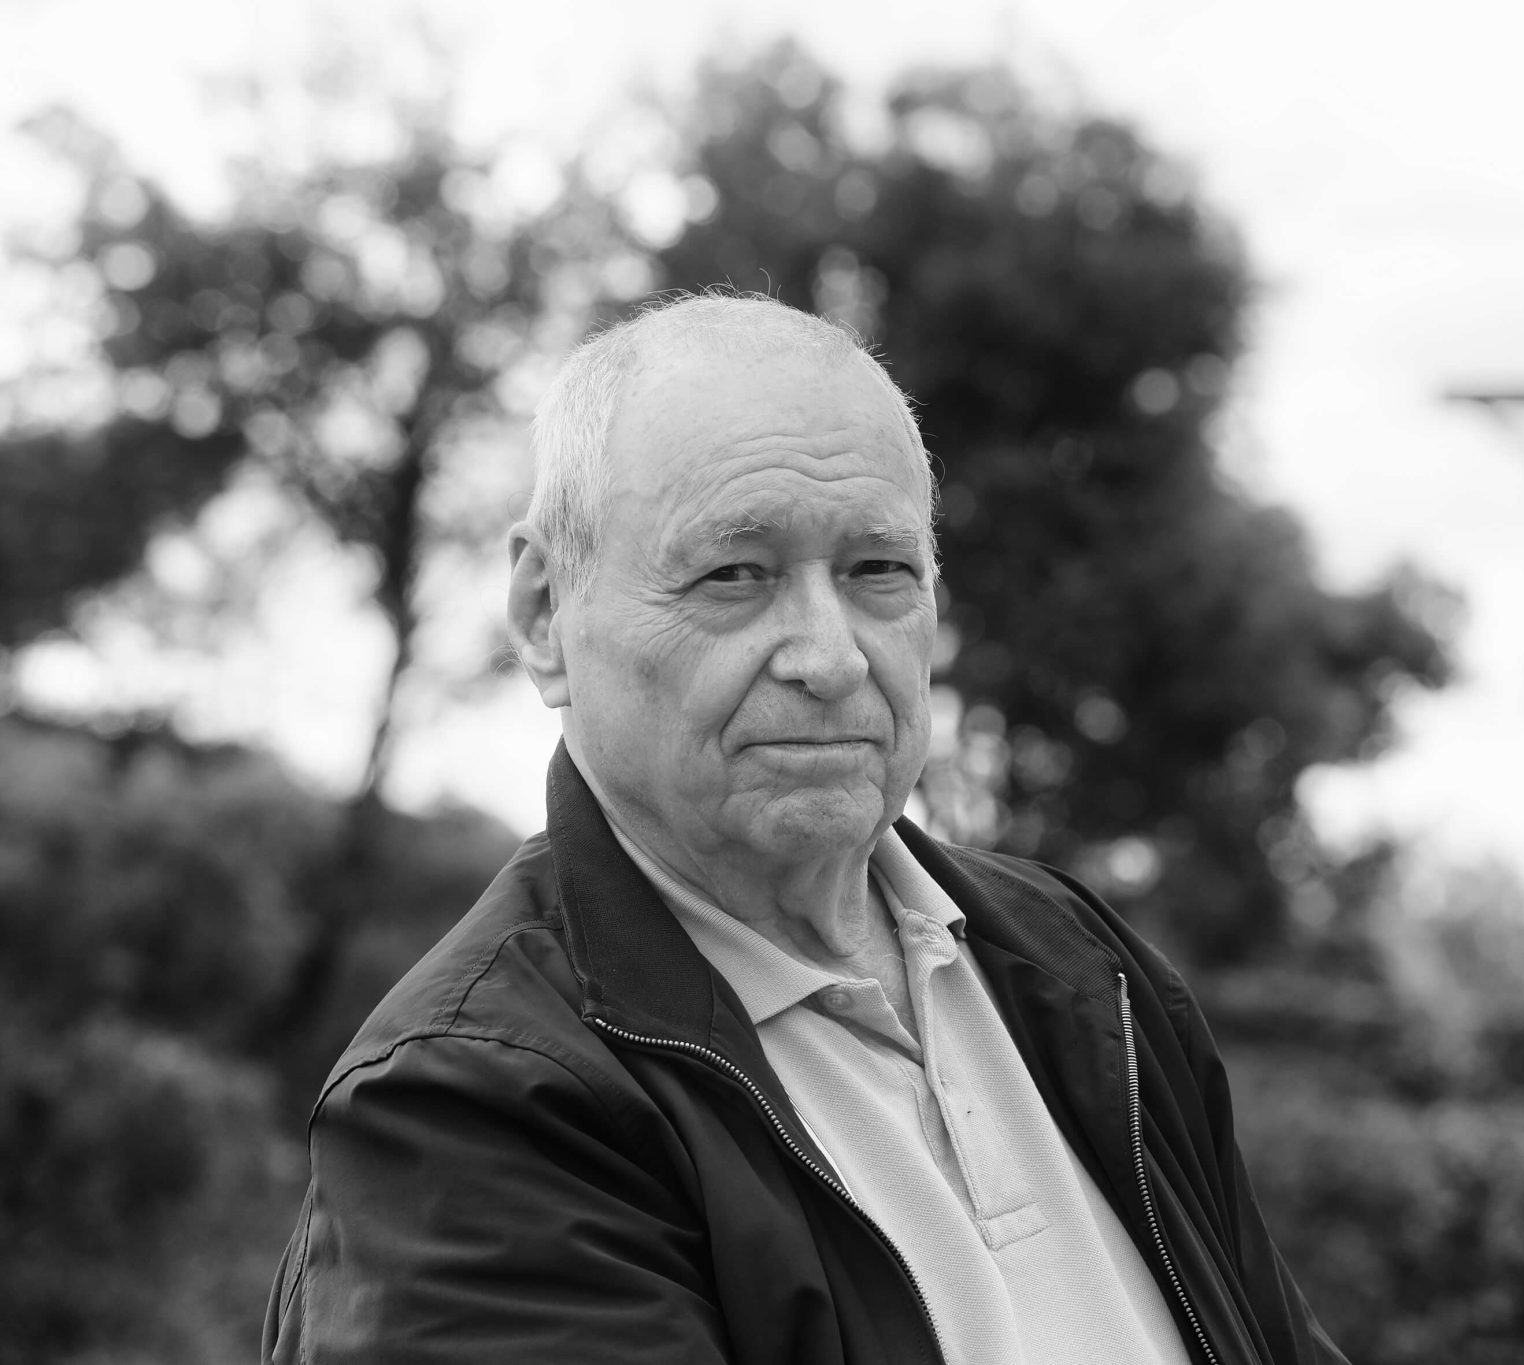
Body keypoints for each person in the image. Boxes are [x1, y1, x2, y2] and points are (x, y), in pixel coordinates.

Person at [263, 293, 1345, 1365]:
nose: (829, 658)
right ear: (545, 614)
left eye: (879, 571)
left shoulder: (1080, 964)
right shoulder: (476, 1105)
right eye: (735, 575)